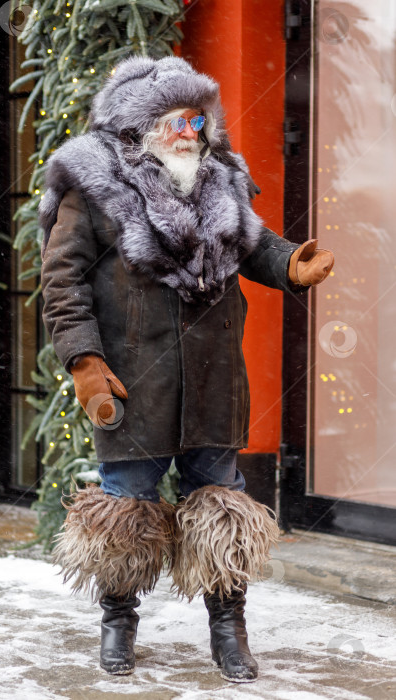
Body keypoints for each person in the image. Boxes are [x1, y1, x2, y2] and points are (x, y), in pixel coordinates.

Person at [38, 55, 334, 683]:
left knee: (223, 504)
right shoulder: (92, 187)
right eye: (173, 119)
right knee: (124, 510)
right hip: (130, 380)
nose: (187, 131)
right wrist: (85, 361)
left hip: (212, 377)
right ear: (137, 123)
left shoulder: (221, 178)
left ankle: (229, 629)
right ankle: (119, 622)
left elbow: (253, 246)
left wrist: (292, 264)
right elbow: (61, 282)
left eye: (196, 119)